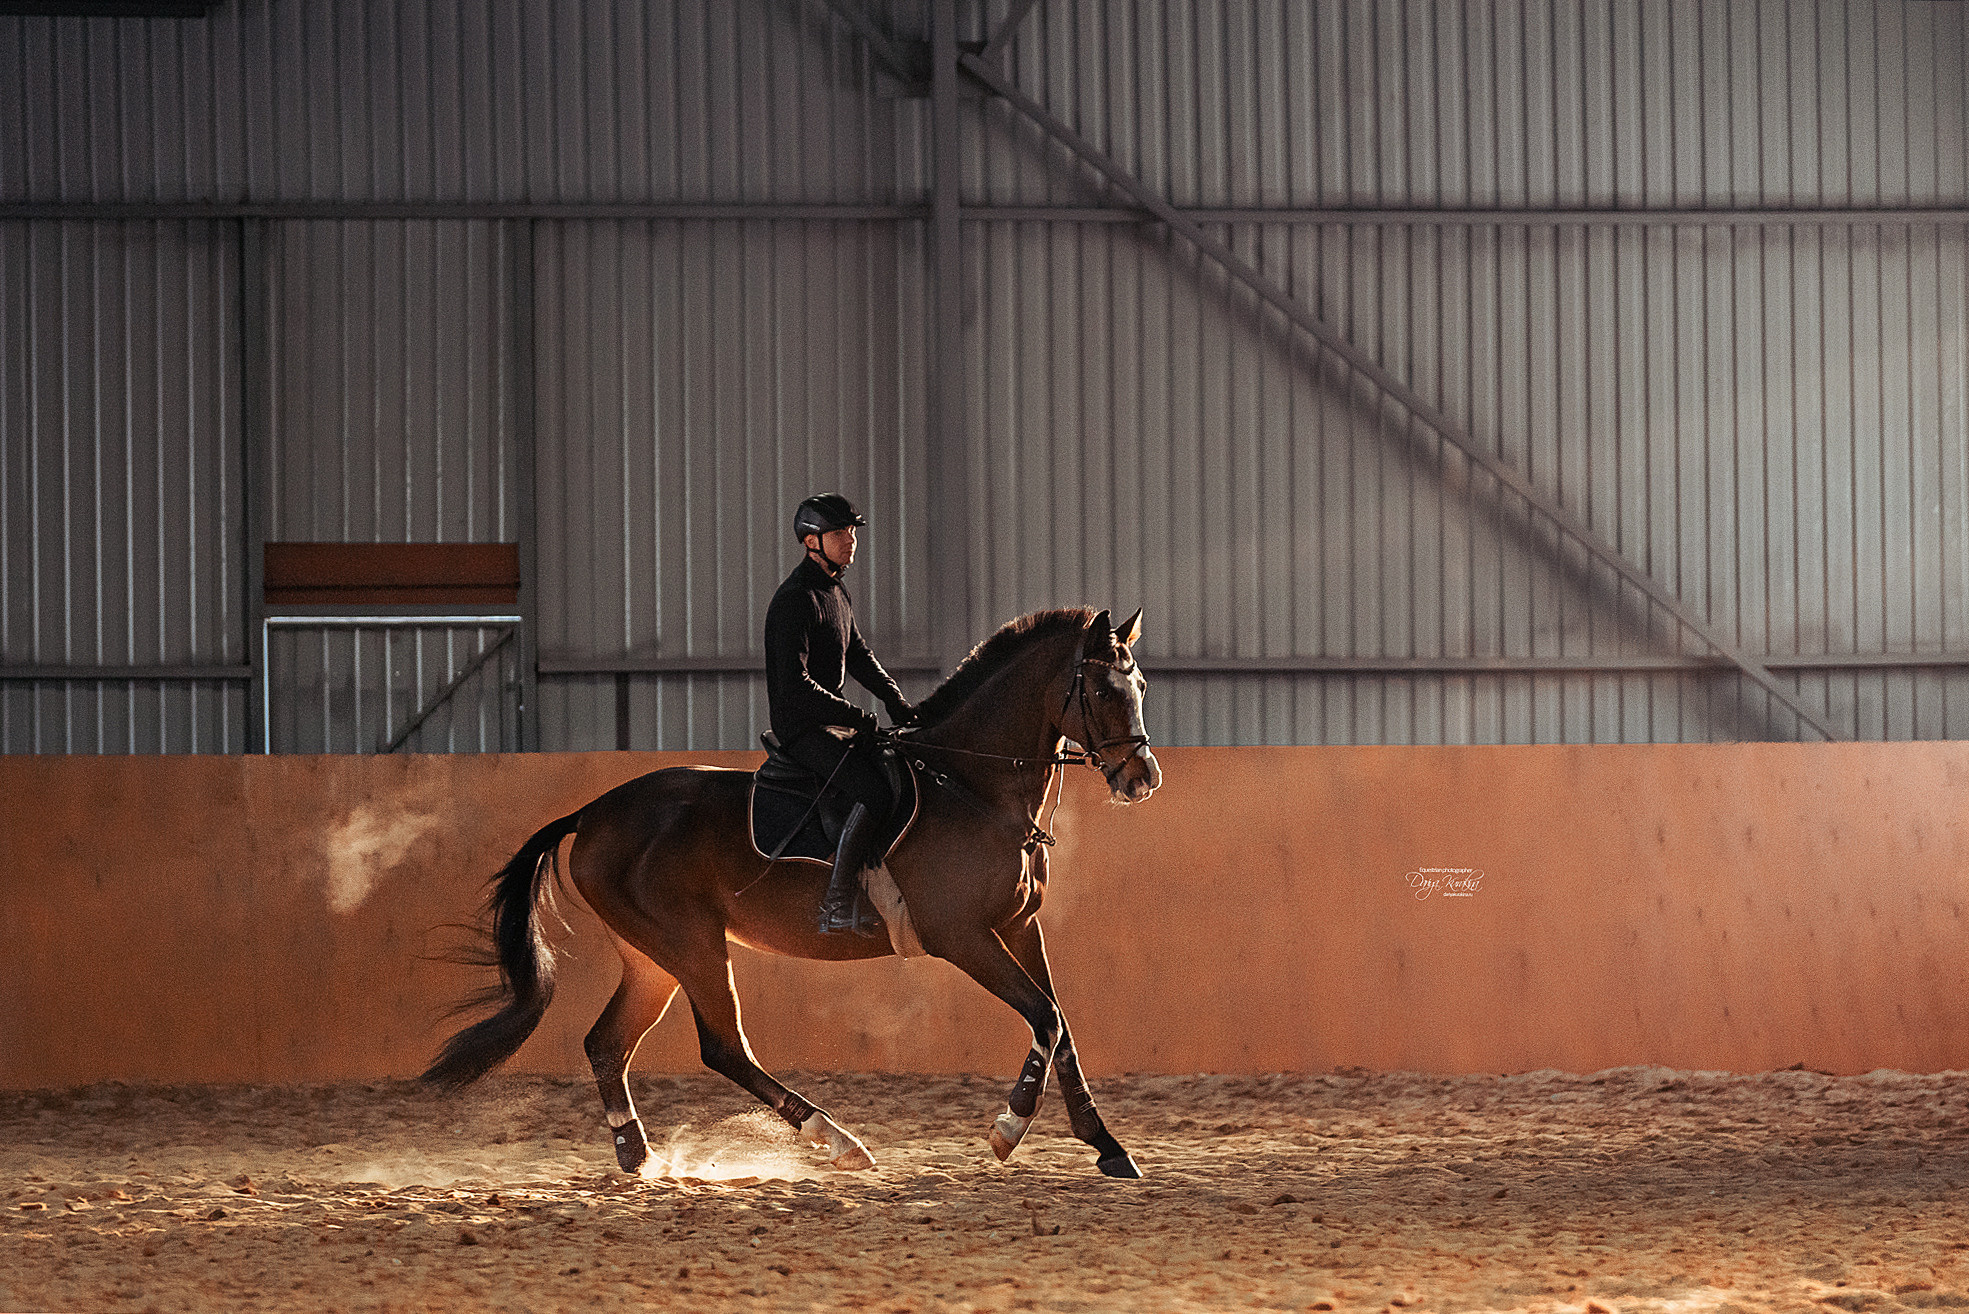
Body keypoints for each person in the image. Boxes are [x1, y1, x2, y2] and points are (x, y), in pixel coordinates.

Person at [763, 493, 915, 935]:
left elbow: (859, 653)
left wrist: (893, 698)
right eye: (839, 533)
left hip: (833, 721)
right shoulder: (796, 599)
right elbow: (796, 686)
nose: (851, 540)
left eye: (852, 532)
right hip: (802, 727)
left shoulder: (835, 591)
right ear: (812, 541)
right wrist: (858, 716)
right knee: (874, 792)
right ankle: (835, 905)